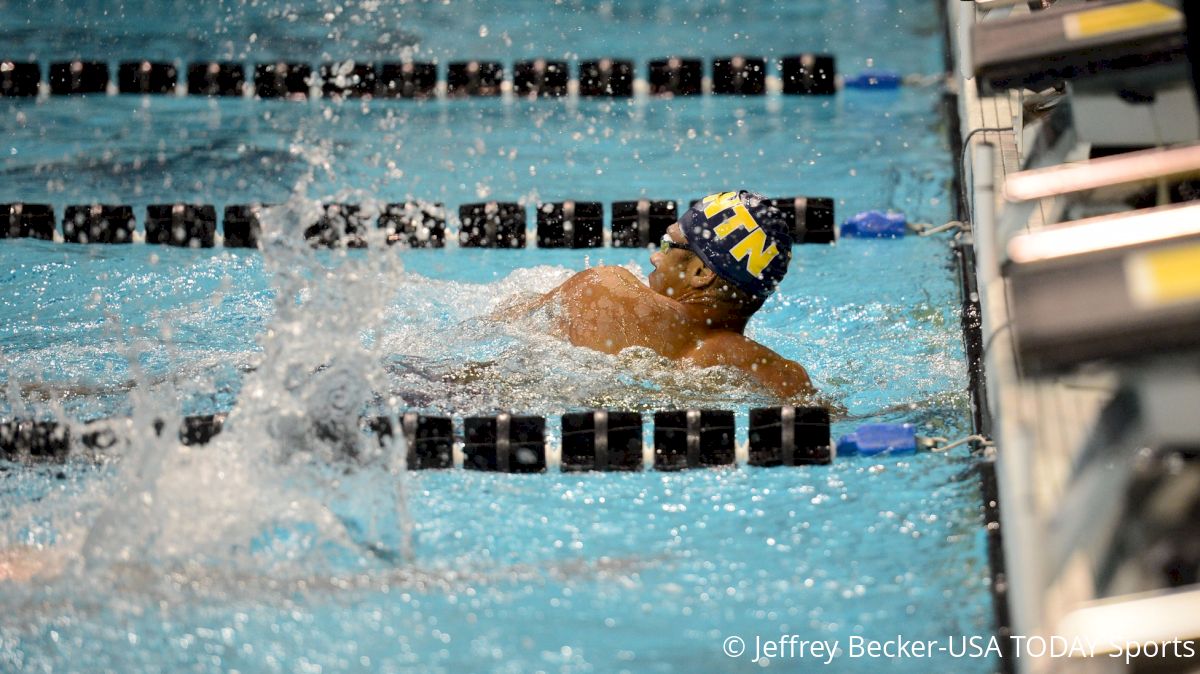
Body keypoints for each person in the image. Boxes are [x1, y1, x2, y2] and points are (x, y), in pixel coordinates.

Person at [505, 189, 819, 402]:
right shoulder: (784, 377)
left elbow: (503, 322)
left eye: (667, 243)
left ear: (701, 273)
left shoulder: (605, 289)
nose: (655, 257)